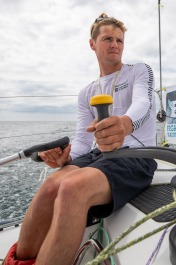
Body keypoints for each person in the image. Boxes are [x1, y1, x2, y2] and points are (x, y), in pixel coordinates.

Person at [4, 13, 157, 265]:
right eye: (108, 38)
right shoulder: (86, 92)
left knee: (71, 188)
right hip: (99, 155)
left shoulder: (139, 71)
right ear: (92, 44)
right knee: (50, 186)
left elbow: (143, 102)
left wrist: (124, 124)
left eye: (119, 40)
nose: (115, 45)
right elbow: (83, 142)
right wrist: (66, 156)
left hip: (135, 156)